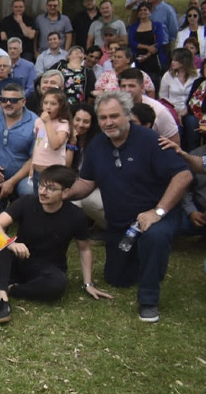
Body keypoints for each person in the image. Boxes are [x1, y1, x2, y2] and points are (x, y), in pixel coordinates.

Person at [68, 91, 192, 323]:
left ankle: (148, 300)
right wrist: (64, 193)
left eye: (114, 116)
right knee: (117, 278)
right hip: (120, 222)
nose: (108, 122)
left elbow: (183, 176)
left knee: (154, 237)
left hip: (157, 214)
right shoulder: (97, 145)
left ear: (127, 115)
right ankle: (148, 262)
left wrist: (158, 212)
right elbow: (86, 183)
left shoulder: (150, 140)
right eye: (103, 117)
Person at [0, 165, 111, 324]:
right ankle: (2, 302)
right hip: (20, 258)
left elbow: (84, 249)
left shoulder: (76, 215)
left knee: (58, 285)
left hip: (48, 268)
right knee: (2, 249)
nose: (43, 191)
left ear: (64, 192)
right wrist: (11, 243)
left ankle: (9, 288)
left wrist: (88, 283)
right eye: (42, 185)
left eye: (51, 188)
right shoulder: (27, 202)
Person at [0, 83, 36, 220]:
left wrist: (12, 182)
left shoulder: (35, 122)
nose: (8, 103)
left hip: (22, 176)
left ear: (23, 101)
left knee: (28, 191)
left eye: (13, 100)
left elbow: (34, 157)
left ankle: (25, 211)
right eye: (4, 100)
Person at [127, 2, 167, 78]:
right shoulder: (133, 27)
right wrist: (147, 47)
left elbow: (159, 42)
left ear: (150, 12)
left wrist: (147, 55)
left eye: (145, 10)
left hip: (154, 58)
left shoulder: (157, 25)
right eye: (140, 10)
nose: (143, 12)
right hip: (138, 58)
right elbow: (132, 42)